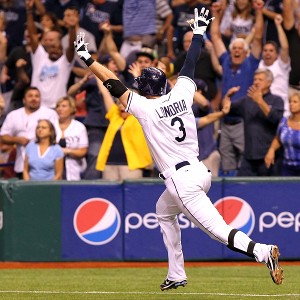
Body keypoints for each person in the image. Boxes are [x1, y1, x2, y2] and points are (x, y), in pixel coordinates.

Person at [74, 7, 283, 290]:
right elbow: (191, 61)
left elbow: (112, 82)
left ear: (145, 88)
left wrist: (87, 57)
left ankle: (262, 251)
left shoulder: (145, 108)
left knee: (219, 231)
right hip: (197, 170)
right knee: (163, 211)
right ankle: (176, 273)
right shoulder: (183, 93)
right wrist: (199, 31)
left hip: (181, 181)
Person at [210, 0, 264, 175]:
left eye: (241, 48)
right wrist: (216, 15)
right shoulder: (225, 61)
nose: (237, 50)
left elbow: (257, 37)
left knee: (244, 161)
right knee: (227, 163)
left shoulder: (250, 63)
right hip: (225, 121)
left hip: (243, 121)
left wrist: (259, 11)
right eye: (235, 47)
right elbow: (216, 37)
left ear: (246, 52)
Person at [223, 68, 284, 176]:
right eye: (255, 79)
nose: (256, 82)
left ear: (269, 83)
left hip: (268, 156)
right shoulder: (246, 100)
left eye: (260, 80)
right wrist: (227, 97)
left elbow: (276, 119)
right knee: (241, 188)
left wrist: (260, 101)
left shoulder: (277, 100)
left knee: (268, 191)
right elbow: (226, 108)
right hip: (248, 157)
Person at [95, 79, 153, 180]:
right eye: (119, 103)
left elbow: (152, 100)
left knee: (132, 195)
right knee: (110, 196)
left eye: (124, 103)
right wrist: (94, 69)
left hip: (132, 166)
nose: (121, 106)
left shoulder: (140, 117)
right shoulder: (115, 116)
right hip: (109, 165)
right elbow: (105, 92)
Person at [0, 86, 58, 179]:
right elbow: (3, 136)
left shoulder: (50, 114)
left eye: (37, 96)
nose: (34, 98)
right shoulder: (13, 115)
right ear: (24, 100)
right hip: (21, 165)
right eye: (30, 96)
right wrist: (17, 139)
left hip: (45, 167)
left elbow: (56, 137)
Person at [258, 14, 291, 117]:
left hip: (282, 112)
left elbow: (285, 47)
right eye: (265, 50)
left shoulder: (281, 65)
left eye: (271, 51)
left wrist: (278, 25)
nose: (268, 53)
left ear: (277, 54)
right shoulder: (260, 65)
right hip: (263, 111)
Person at [265, 93, 300, 176]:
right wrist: (272, 149)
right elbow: (278, 138)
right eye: (290, 102)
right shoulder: (284, 122)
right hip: (287, 167)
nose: (291, 104)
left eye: (295, 102)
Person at [54, 96, 88, 180]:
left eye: (64, 106)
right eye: (58, 106)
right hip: (53, 169)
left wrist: (67, 151)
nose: (60, 109)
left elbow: (83, 151)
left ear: (72, 109)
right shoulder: (51, 126)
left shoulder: (79, 127)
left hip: (74, 169)